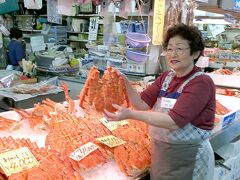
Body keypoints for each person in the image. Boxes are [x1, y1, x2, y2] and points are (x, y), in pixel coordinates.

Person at [104, 24, 216, 180]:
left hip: (188, 156)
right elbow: (141, 104)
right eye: (169, 49)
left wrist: (130, 114)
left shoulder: (201, 83)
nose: (173, 54)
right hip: (161, 153)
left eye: (180, 49)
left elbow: (173, 122)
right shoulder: (167, 77)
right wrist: (125, 82)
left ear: (195, 53)